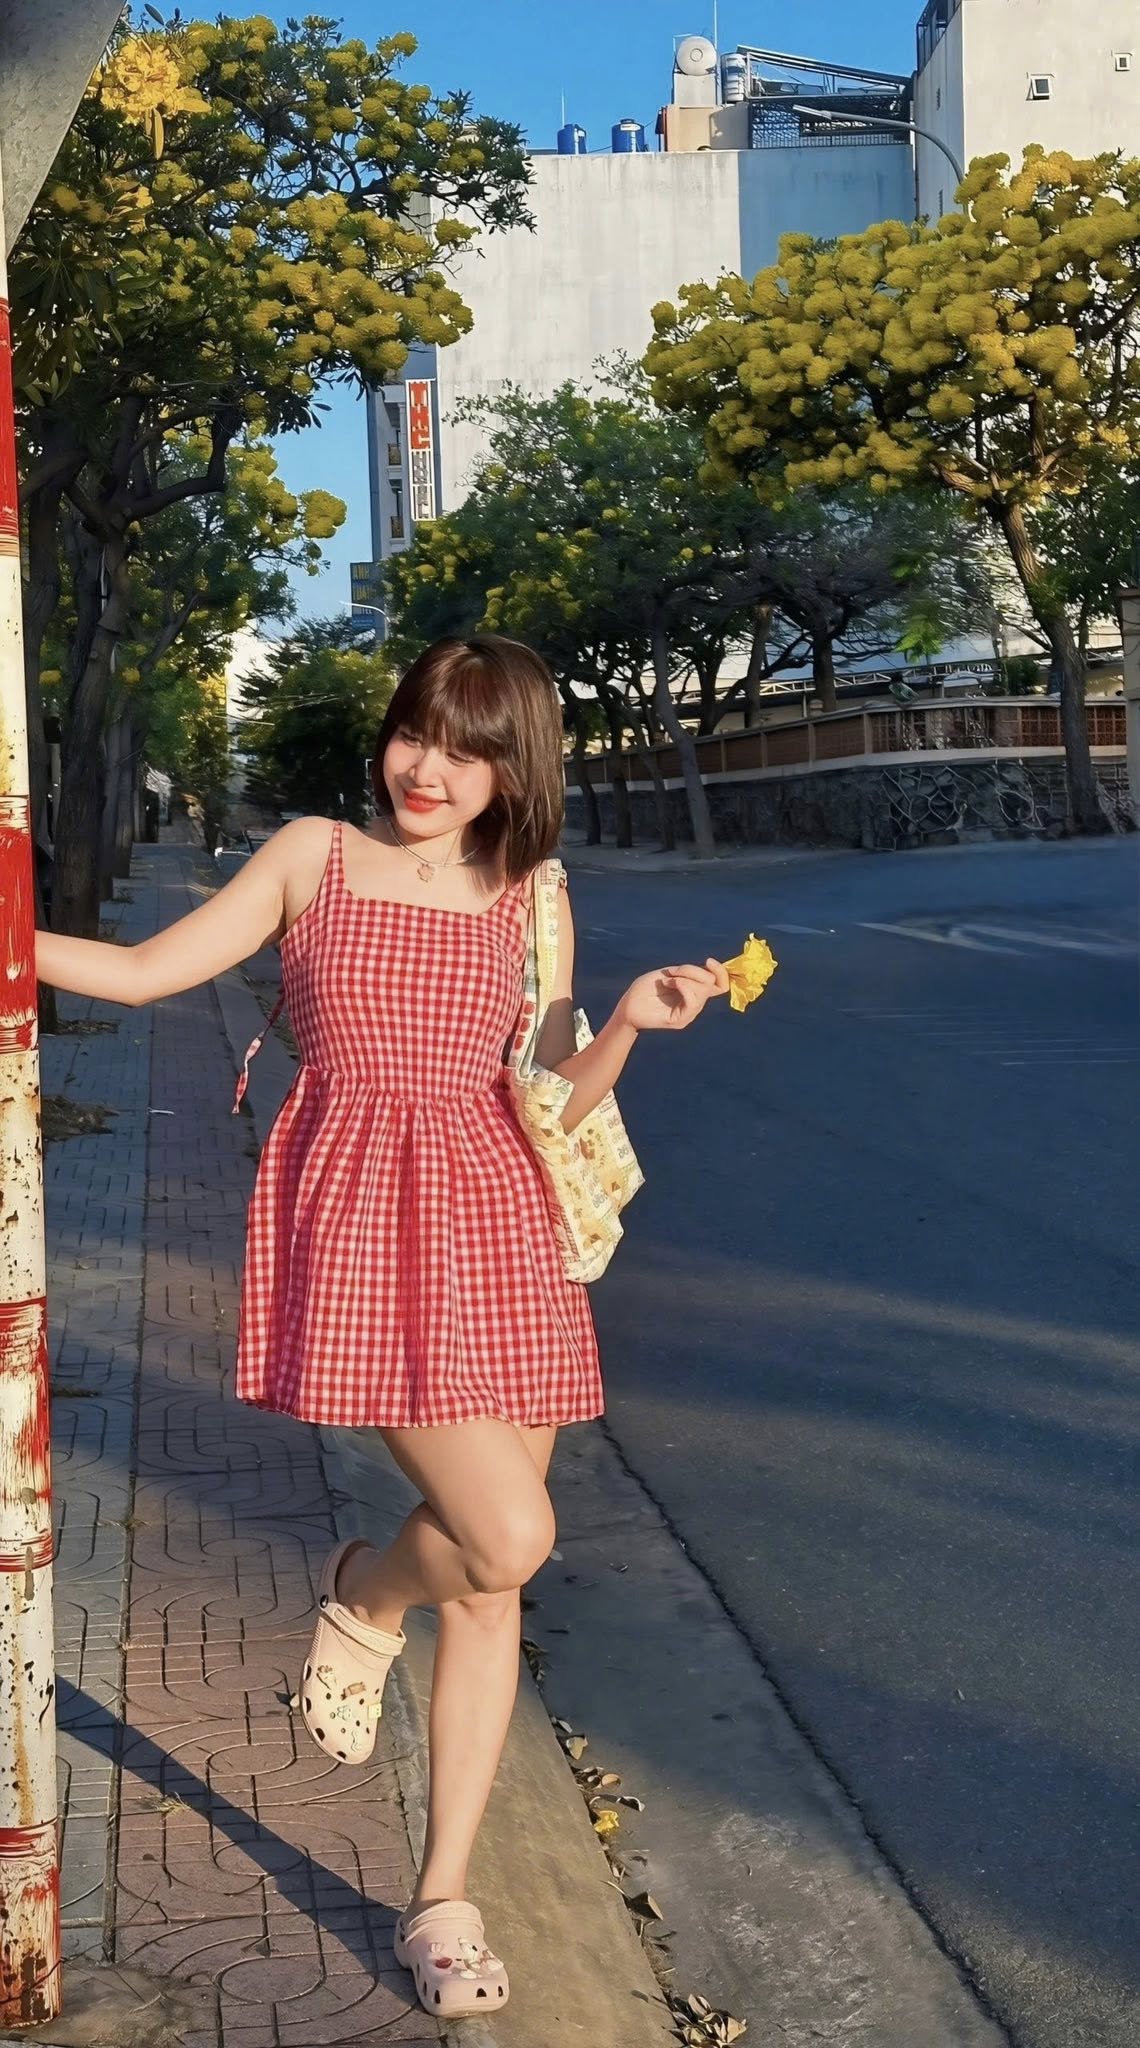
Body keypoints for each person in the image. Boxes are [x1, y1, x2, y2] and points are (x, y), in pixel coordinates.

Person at [36, 633, 731, 2019]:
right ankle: (362, 1597)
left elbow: (549, 1096)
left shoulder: (532, 895)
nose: (430, 768)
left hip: (505, 1228)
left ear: (514, 769)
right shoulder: (316, 857)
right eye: (419, 732)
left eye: (470, 750)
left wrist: (627, 1025)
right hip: (365, 1226)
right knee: (508, 1532)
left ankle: (442, 1899)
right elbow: (145, 973)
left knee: (491, 1584)